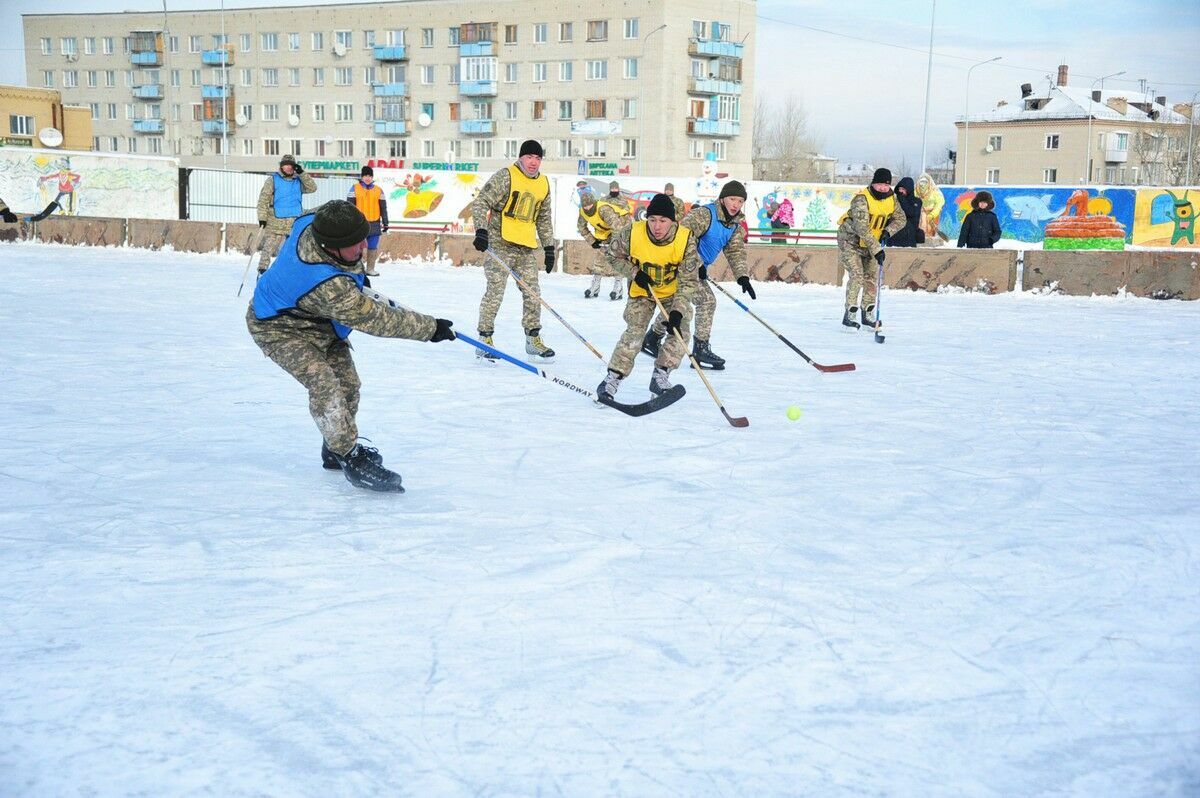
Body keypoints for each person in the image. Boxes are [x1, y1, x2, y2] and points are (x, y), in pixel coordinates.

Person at [247, 200, 456, 493]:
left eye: (363, 239)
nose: (363, 247)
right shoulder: (326, 286)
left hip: (318, 319)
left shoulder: (314, 219)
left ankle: (334, 448)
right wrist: (430, 328)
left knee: (349, 385)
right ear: (331, 247)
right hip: (278, 327)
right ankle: (349, 457)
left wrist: (355, 275)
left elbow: (327, 219)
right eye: (355, 244)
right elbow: (379, 320)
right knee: (325, 385)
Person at [596, 193, 702, 401]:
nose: (657, 226)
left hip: (672, 293)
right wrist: (634, 273)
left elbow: (689, 281)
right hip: (642, 291)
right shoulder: (632, 232)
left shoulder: (685, 239)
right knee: (635, 332)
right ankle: (612, 378)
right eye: (652, 220)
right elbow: (612, 255)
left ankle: (661, 375)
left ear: (673, 221)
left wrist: (677, 311)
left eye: (663, 221)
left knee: (680, 331)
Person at [641, 180, 755, 370]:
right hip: (679, 265)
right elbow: (681, 235)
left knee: (678, 303)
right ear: (722, 199)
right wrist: (697, 262)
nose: (736, 204)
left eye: (740, 201)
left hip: (695, 268)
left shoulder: (734, 224)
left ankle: (652, 337)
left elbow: (735, 251)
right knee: (706, 301)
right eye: (732, 199)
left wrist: (742, 276)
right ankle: (700, 348)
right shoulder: (704, 214)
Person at [471, 139, 556, 362]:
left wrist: (549, 248)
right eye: (529, 157)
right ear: (521, 157)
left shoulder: (543, 183)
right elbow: (481, 202)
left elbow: (544, 219)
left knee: (533, 293)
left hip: (525, 247)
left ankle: (533, 340)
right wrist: (481, 231)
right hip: (500, 244)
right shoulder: (506, 176)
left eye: (538, 158)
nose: (533, 162)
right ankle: (484, 339)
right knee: (495, 292)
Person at [837, 167, 908, 329]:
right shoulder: (861, 199)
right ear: (873, 183)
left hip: (871, 243)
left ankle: (867, 313)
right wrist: (877, 250)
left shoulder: (892, 199)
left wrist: (887, 231)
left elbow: (901, 219)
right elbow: (862, 228)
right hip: (851, 241)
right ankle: (850, 314)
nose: (883, 188)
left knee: (871, 277)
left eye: (886, 185)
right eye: (880, 184)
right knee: (857, 275)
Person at [256, 154, 317, 274]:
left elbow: (312, 188)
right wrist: (262, 218)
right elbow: (263, 200)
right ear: (281, 166)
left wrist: (302, 173)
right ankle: (262, 271)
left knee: (292, 250)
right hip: (275, 221)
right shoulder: (273, 180)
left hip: (294, 221)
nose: (288, 168)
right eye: (286, 165)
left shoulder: (298, 180)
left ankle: (287, 273)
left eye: (291, 165)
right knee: (268, 248)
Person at [577, 189, 629, 300]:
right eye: (585, 206)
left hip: (623, 227)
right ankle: (595, 286)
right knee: (600, 257)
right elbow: (581, 227)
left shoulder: (604, 209)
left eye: (590, 205)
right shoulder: (582, 212)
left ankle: (618, 287)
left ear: (594, 202)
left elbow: (617, 228)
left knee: (617, 257)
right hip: (606, 231)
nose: (587, 208)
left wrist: (614, 245)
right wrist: (592, 241)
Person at [346, 165, 389, 276]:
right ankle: (358, 269)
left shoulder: (378, 190)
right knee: (358, 247)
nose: (367, 178)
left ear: (372, 177)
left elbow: (383, 208)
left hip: (375, 223)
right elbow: (349, 207)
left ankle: (370, 269)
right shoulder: (354, 188)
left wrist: (386, 223)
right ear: (362, 177)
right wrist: (350, 222)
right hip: (359, 223)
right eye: (365, 175)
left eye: (369, 176)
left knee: (373, 247)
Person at [887, 177, 924, 247]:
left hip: (909, 238)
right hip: (893, 237)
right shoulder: (894, 200)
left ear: (909, 189)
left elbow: (910, 213)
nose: (901, 191)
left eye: (903, 189)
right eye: (900, 189)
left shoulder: (917, 202)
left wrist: (902, 199)